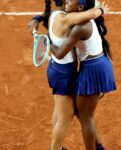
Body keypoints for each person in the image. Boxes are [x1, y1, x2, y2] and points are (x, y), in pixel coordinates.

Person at [28, 0, 109, 150]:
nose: (68, 1)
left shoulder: (54, 14)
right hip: (64, 73)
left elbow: (86, 9)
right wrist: (101, 10)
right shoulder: (67, 18)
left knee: (62, 112)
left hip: (56, 70)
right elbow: (92, 12)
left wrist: (38, 20)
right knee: (65, 119)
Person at [50, 0, 117, 150]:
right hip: (95, 65)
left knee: (87, 118)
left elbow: (60, 53)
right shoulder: (83, 17)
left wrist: (46, 42)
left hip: (92, 70)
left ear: (80, 8)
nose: (66, 1)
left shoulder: (80, 27)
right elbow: (94, 7)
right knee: (81, 112)